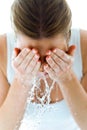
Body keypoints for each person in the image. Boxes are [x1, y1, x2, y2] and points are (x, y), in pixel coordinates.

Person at [0, 0, 87, 130]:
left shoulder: (85, 46)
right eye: (30, 55)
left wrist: (67, 78)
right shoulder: (2, 51)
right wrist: (21, 81)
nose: (41, 67)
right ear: (16, 40)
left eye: (52, 55)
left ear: (68, 40)